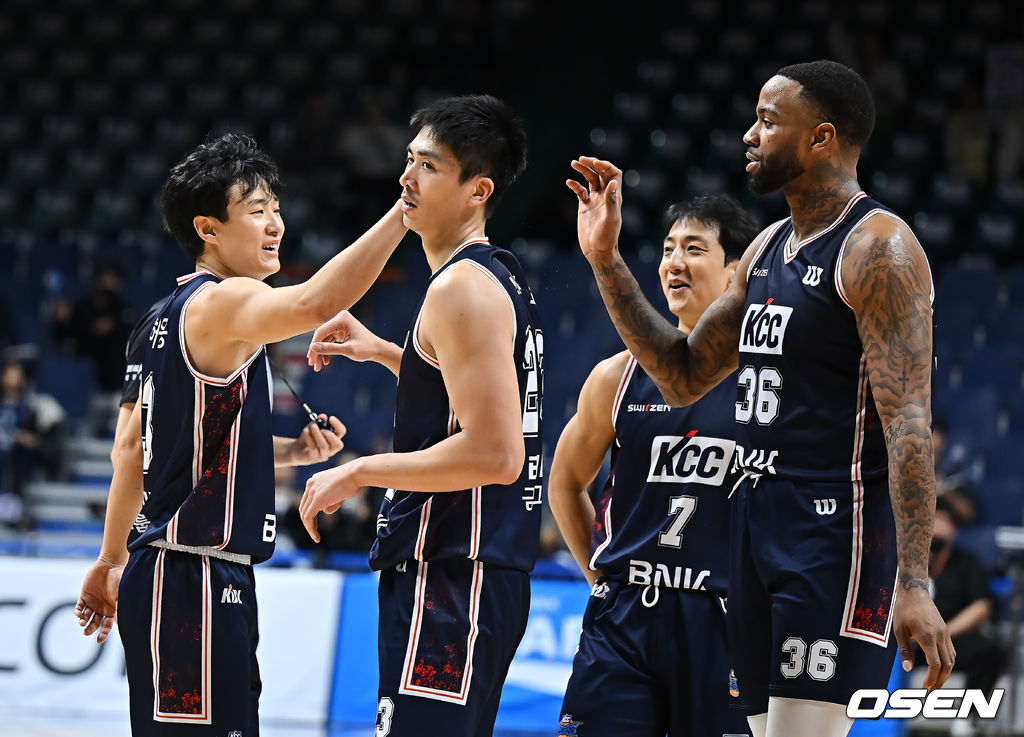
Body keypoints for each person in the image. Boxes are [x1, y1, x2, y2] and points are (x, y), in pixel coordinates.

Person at [568, 60, 954, 737]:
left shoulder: (879, 249)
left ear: (821, 138)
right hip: (750, 533)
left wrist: (914, 580)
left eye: (769, 121)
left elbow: (909, 424)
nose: (749, 134)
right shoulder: (767, 248)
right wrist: (606, 261)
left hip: (831, 535)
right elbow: (682, 375)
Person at [74, 131, 408, 736]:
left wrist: (110, 559)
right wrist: (403, 212)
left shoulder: (159, 317)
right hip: (192, 576)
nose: (276, 224)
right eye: (257, 211)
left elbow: (135, 449)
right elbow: (315, 303)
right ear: (208, 228)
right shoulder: (224, 303)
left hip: (175, 572)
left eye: (276, 208)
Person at [299, 94, 542, 737]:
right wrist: (388, 353)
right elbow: (465, 396)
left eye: (429, 166)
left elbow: (496, 453)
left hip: (453, 573)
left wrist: (359, 472)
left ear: (477, 191)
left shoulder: (461, 287)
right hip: (467, 571)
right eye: (409, 159)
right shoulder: (494, 275)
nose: (406, 177)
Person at [549, 194, 758, 737]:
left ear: (735, 271)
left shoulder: (766, 384)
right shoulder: (616, 376)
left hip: (723, 617)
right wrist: (600, 575)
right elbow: (565, 481)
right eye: (668, 249)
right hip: (624, 616)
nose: (674, 263)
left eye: (694, 249)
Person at [929, 502, 1005, 702]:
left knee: (988, 652)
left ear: (953, 529)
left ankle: (971, 713)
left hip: (949, 637)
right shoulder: (904, 560)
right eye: (931, 520)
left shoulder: (966, 562)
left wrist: (943, 633)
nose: (936, 526)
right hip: (907, 637)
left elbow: (982, 606)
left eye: (942, 521)